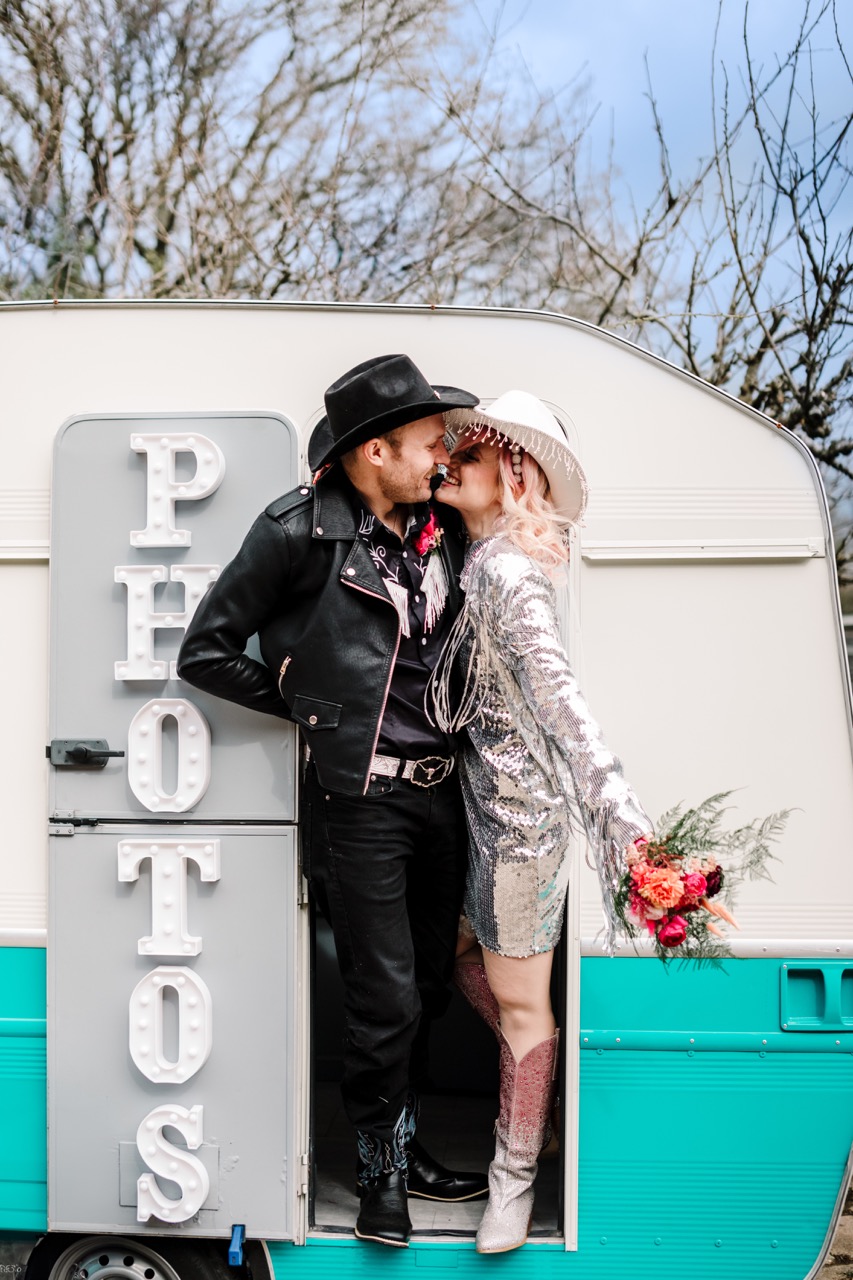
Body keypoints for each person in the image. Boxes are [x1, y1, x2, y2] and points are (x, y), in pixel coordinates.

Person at [177, 354, 489, 1248]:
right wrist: (312, 707)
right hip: (361, 801)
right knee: (381, 995)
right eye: (430, 439)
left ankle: (410, 1142)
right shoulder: (296, 532)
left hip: (446, 799)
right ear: (376, 450)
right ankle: (381, 1175)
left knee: (425, 984)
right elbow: (204, 650)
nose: (443, 453)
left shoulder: (447, 529)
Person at [430, 389, 654, 1254]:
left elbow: (563, 705)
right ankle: (543, 1093)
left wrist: (623, 820)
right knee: (450, 957)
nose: (451, 459)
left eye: (472, 451)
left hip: (522, 831)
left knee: (525, 1014)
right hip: (477, 815)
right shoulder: (476, 555)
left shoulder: (507, 572)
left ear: (510, 474)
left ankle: (514, 1180)